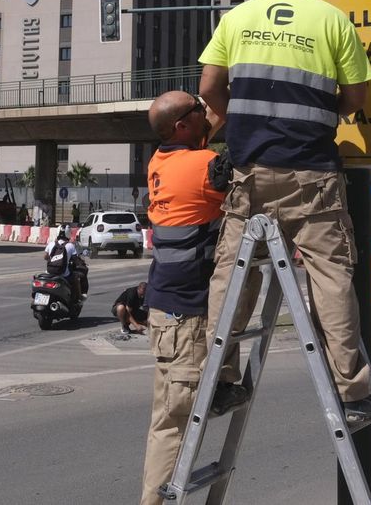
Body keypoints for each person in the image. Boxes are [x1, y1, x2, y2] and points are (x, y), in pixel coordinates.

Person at [198, 0, 371, 426]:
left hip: (248, 173)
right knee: (330, 275)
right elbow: (357, 98)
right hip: (312, 173)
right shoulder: (333, 21)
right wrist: (322, 113)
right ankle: (354, 392)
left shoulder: (238, 18)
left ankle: (219, 380)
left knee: (233, 275)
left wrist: (236, 118)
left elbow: (209, 88)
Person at [138, 89, 232, 505]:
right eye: (197, 108)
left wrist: (215, 97)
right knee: (174, 424)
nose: (205, 111)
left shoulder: (162, 160)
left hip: (168, 311)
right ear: (182, 126)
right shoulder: (205, 166)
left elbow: (208, 123)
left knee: (168, 418)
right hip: (187, 317)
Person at [44, 227, 87, 299]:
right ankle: (79, 297)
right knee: (76, 278)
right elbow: (75, 259)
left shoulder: (51, 244)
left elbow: (45, 257)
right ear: (68, 234)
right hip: (64, 274)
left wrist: (52, 259)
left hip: (49, 272)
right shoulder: (70, 245)